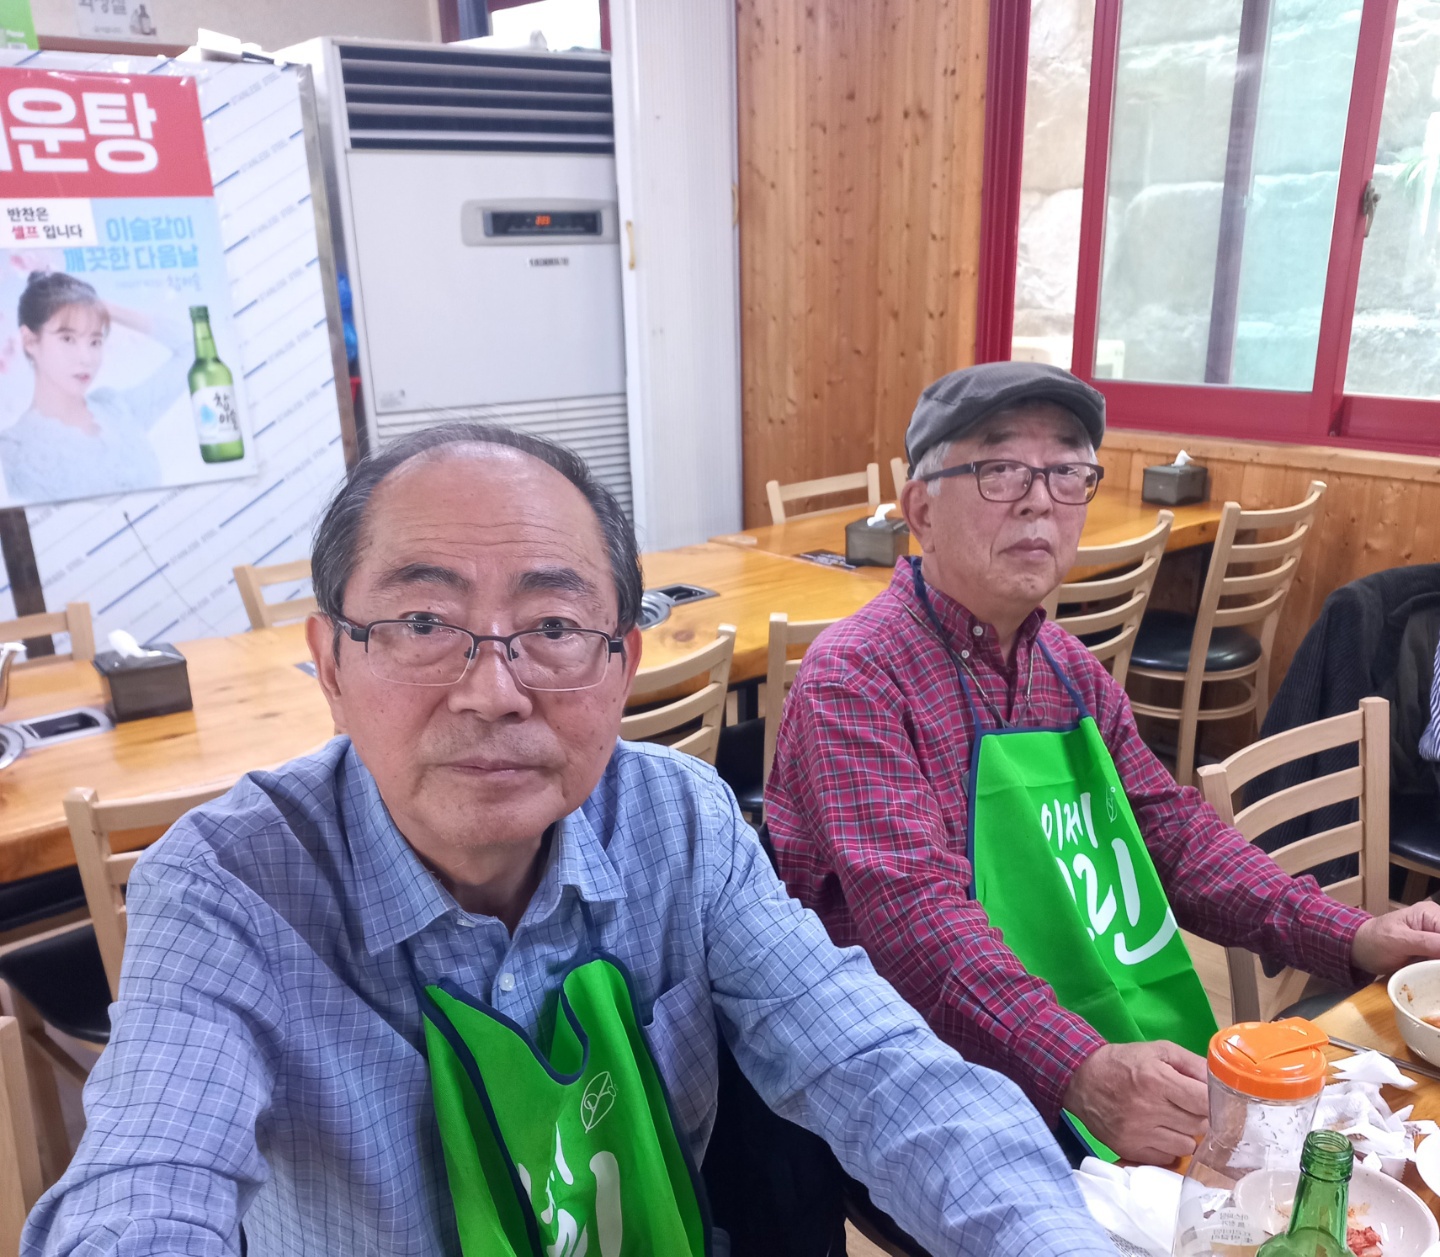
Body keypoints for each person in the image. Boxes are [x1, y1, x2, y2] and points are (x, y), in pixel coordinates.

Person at [24, 423, 1117, 1256]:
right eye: (423, 624)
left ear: (621, 665)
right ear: (332, 661)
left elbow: (878, 1068)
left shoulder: (680, 822)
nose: (493, 692)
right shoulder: (229, 887)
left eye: (552, 627)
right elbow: (146, 1179)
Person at [765, 361, 1440, 1167]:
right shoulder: (855, 677)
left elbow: (1175, 835)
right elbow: (917, 923)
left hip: (1073, 1028)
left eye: (1066, 471)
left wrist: (1358, 932)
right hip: (917, 1072)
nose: (1038, 499)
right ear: (921, 511)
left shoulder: (1065, 666)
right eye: (999, 468)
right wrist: (1080, 1067)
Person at [0, 269, 185, 503]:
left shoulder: (117, 410)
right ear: (30, 341)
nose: (86, 358)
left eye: (95, 341)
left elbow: (195, 348)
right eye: (68, 339)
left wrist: (101, 307)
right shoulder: (13, 449)